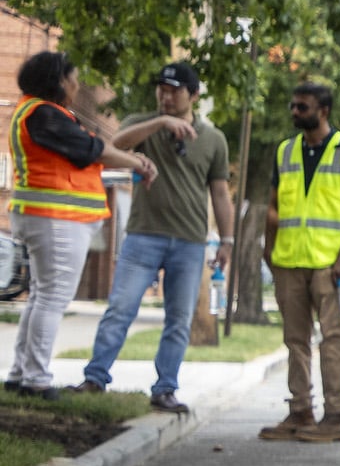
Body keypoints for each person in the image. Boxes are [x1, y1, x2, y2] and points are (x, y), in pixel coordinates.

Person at [75, 62, 233, 413]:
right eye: (161, 88)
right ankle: (95, 378)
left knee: (178, 320)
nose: (165, 95)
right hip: (143, 237)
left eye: (174, 90)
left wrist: (227, 241)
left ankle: (165, 389)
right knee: (120, 308)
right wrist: (161, 122)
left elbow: (221, 193)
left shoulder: (214, 140)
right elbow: (113, 144)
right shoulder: (141, 124)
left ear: (193, 95)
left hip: (190, 242)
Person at [6, 52, 157, 400]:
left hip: (49, 216)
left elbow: (83, 161)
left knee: (42, 297)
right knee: (52, 298)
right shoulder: (42, 114)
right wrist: (136, 161)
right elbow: (91, 149)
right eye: (73, 79)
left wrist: (129, 164)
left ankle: (21, 373)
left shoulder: (40, 113)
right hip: (55, 219)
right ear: (58, 81)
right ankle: (36, 380)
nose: (76, 86)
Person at [259, 82, 340, 443]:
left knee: (332, 339)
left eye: (302, 107)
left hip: (329, 265)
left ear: (323, 111)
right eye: (293, 106)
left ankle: (337, 415)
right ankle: (300, 411)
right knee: (295, 340)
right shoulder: (286, 151)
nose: (295, 112)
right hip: (289, 262)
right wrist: (269, 247)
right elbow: (274, 208)